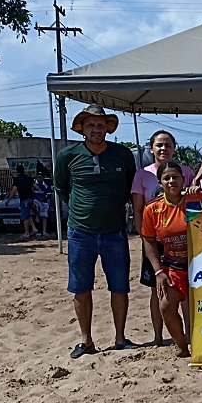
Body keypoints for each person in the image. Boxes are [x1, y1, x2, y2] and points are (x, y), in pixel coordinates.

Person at [53, 104, 137, 358]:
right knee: (81, 287)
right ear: (82, 128)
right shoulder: (67, 155)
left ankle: (120, 338)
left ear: (107, 128)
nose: (96, 129)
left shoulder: (122, 155)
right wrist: (82, 210)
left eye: (101, 125)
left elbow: (128, 189)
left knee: (120, 286)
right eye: (91, 125)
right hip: (81, 233)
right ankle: (86, 340)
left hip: (115, 232)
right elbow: (61, 188)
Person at [131, 130, 196, 347]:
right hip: (159, 244)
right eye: (159, 144)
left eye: (168, 144)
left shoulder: (191, 191)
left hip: (191, 256)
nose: (163, 148)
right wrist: (157, 267)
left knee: (190, 299)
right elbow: (139, 210)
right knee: (159, 294)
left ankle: (191, 338)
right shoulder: (143, 175)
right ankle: (160, 338)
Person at [141, 162, 190, 357]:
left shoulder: (195, 201)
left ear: (183, 179)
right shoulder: (152, 210)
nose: (171, 181)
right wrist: (158, 272)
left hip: (200, 267)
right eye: (166, 178)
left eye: (175, 177)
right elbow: (149, 241)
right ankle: (181, 345)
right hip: (173, 266)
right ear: (159, 182)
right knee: (166, 306)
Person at [6, 164, 36, 238]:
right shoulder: (29, 178)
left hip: (24, 199)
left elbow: (13, 191)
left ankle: (26, 233)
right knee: (28, 214)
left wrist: (8, 200)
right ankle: (34, 228)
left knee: (24, 217)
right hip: (31, 199)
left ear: (17, 171)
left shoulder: (17, 180)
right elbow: (36, 187)